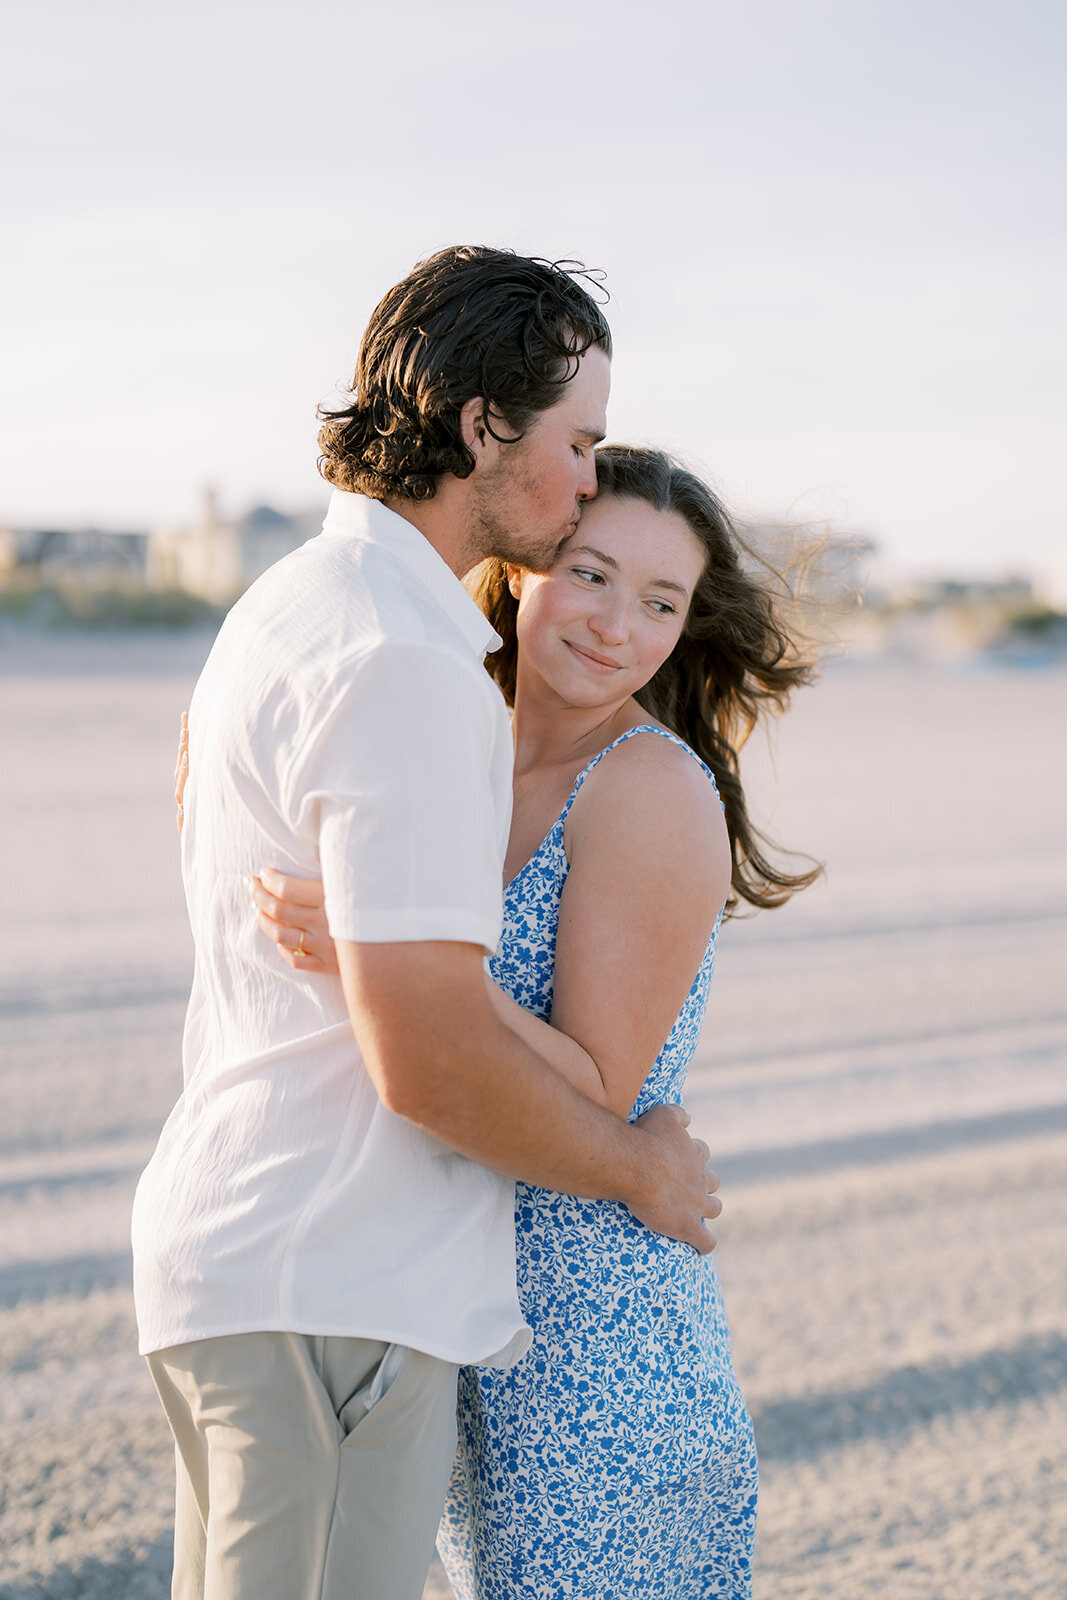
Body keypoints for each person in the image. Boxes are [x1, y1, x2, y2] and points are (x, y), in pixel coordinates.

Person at [132, 247, 722, 1600]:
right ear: (480, 426)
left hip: (259, 1262)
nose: (586, 476)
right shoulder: (405, 659)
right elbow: (429, 1057)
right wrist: (640, 1171)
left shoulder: (288, 609)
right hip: (327, 1280)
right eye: (574, 443)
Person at [245, 444, 821, 1597]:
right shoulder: (447, 739)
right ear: (519, 572)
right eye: (591, 573)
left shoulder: (648, 787)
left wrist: (381, 958)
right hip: (446, 1302)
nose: (618, 624)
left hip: (596, 1344)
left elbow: (599, 1084)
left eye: (660, 601)